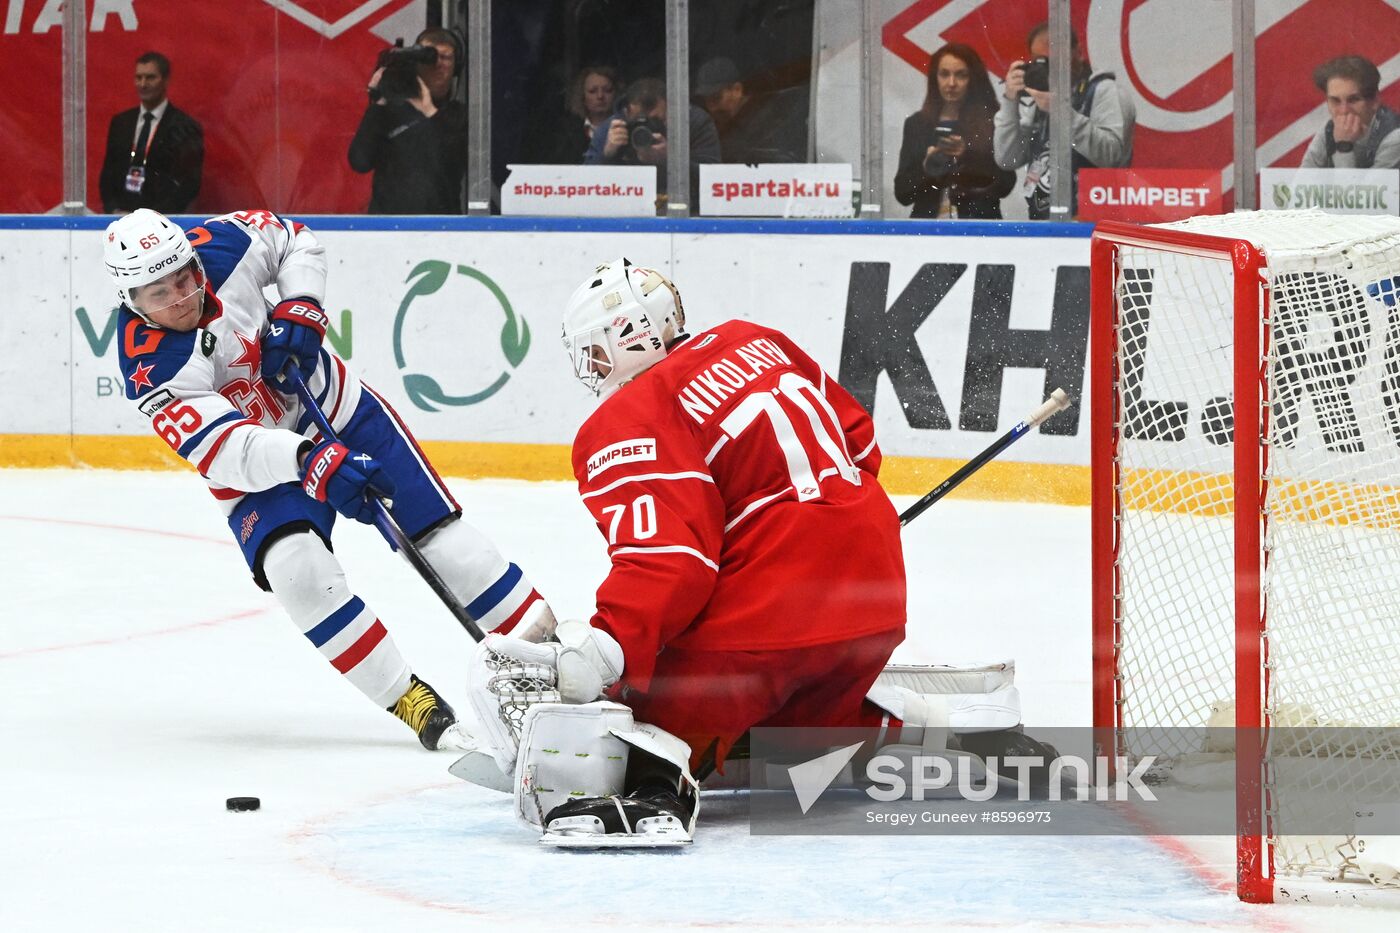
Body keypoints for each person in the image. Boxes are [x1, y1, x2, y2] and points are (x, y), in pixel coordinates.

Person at [468, 258, 909, 842]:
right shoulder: (758, 340)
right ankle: (917, 733)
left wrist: (609, 648)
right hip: (878, 595)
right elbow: (863, 446)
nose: (595, 368)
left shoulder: (631, 413)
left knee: (648, 708)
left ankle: (653, 788)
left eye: (596, 350)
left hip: (777, 610)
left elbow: (672, 561)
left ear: (631, 336)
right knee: (795, 729)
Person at [105, 207, 554, 750]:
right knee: (299, 573)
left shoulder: (221, 243)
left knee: (439, 539)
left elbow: (296, 240)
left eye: (185, 279)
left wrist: (300, 305)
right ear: (131, 300)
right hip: (259, 466)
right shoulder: (151, 368)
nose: (182, 299)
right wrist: (306, 461)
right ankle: (410, 698)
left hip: (337, 408)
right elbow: (226, 449)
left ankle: (557, 657)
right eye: (160, 295)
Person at [993, 22, 1135, 219]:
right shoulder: (1039, 97)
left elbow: (1112, 156)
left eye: (1056, 58)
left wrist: (1061, 112)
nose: (1051, 69)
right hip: (1043, 221)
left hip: (1093, 223)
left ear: (1078, 52)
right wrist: (1010, 100)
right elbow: (1007, 159)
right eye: (1041, 61)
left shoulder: (1104, 91)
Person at [348, 28, 468, 213]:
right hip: (388, 230)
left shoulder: (459, 115)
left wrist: (428, 111)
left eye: (446, 57)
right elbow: (360, 161)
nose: (438, 64)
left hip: (442, 231)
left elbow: (452, 160)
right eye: (429, 57)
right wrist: (380, 100)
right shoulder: (391, 110)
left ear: (456, 67)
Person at [894, 43, 1015, 219]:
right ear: (934, 78)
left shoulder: (992, 121)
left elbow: (1006, 184)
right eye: (944, 74)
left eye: (961, 75)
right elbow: (902, 194)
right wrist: (927, 167)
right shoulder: (917, 124)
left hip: (977, 227)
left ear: (973, 79)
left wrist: (967, 156)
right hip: (929, 229)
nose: (951, 83)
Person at [98, 51, 204, 215]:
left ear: (165, 80)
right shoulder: (121, 122)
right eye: (138, 77)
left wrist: (154, 217)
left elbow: (188, 184)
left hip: (162, 222)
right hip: (121, 219)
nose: (143, 84)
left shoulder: (185, 127)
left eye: (150, 77)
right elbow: (108, 173)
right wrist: (113, 209)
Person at [584, 78, 722, 199]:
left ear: (671, 109)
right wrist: (607, 155)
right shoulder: (612, 128)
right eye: (638, 122)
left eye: (656, 121)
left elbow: (714, 181)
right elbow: (584, 187)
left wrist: (671, 160)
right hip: (627, 207)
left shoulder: (693, 122)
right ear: (626, 112)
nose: (648, 129)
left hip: (683, 208)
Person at [693, 57, 808, 164]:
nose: (712, 108)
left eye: (716, 98)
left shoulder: (771, 117)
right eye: (706, 101)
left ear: (737, 90)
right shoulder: (717, 124)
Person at [1302, 55, 1400, 169]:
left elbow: (1360, 187)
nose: (1343, 111)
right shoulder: (1329, 130)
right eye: (1335, 101)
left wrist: (1344, 146)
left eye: (1353, 100)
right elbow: (1301, 184)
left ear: (1375, 101)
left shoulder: (1395, 137)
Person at [535, 66, 620, 164]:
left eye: (607, 90)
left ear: (616, 94)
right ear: (582, 96)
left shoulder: (626, 128)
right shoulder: (565, 133)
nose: (600, 96)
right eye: (592, 91)